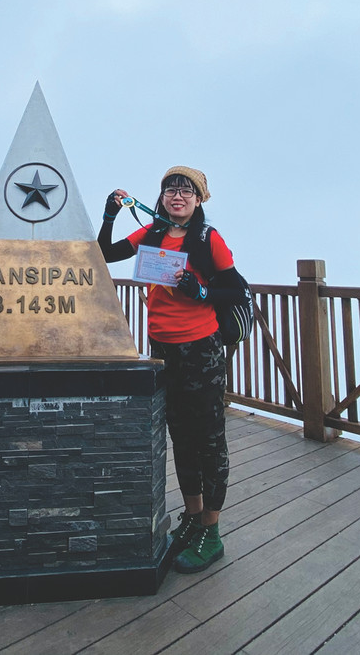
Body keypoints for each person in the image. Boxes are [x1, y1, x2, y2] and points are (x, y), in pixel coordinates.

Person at [96, 166, 242, 574]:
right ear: (161, 198)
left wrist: (202, 291)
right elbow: (104, 254)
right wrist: (109, 215)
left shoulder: (208, 240)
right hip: (163, 348)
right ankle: (192, 519)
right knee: (179, 433)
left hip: (202, 349)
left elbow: (238, 288)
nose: (178, 195)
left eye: (187, 190)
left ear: (199, 199)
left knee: (209, 438)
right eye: (170, 189)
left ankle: (211, 533)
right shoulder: (152, 234)